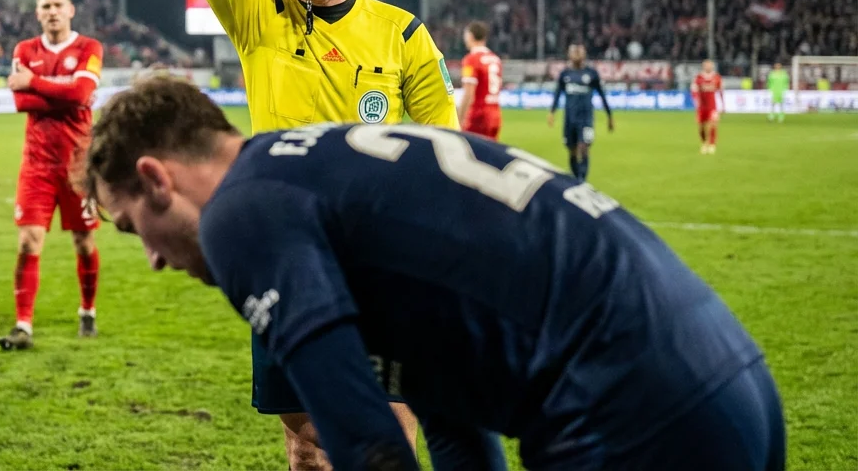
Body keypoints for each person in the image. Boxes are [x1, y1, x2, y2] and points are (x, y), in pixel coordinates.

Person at [83, 77, 785, 471]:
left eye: (129, 228)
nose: (150, 257)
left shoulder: (241, 211)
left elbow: (367, 444)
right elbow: (453, 424)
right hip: (726, 374)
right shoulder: (319, 172)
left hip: (627, 409)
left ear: (156, 179)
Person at [177, 0, 459, 464]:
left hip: (382, 261)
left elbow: (448, 154)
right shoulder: (256, 18)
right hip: (285, 260)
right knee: (307, 450)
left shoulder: (402, 34)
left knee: (390, 440)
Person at [0, 0, 104, 351]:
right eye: (45, 6)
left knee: (84, 242)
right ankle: (23, 324)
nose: (52, 11)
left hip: (79, 166)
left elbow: (82, 94)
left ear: (71, 9)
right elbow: (21, 102)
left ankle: (87, 311)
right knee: (28, 242)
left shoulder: (89, 48)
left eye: (58, 4)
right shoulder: (25, 49)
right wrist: (56, 92)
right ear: (38, 12)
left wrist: (35, 83)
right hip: (37, 166)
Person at [549, 45, 613, 181]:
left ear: (584, 55)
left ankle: (582, 180)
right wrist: (552, 112)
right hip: (569, 119)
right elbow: (557, 94)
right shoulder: (565, 74)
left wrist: (609, 116)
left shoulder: (591, 73)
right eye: (573, 52)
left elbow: (602, 94)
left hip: (586, 119)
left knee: (584, 148)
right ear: (569, 55)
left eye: (579, 52)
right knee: (572, 150)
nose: (576, 54)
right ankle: (577, 177)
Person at [457, 22, 502, 140]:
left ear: (470, 36)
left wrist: (459, 119)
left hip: (478, 117)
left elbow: (468, 94)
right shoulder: (495, 59)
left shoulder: (471, 60)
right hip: (495, 115)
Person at [692, 60, 724, 154]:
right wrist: (695, 100)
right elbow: (694, 90)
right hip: (702, 106)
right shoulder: (699, 77)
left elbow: (721, 91)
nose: (708, 67)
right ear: (703, 66)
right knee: (701, 127)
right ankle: (704, 143)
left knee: (713, 124)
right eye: (706, 66)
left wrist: (723, 105)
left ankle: (712, 144)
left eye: (710, 66)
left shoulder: (716, 77)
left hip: (712, 106)